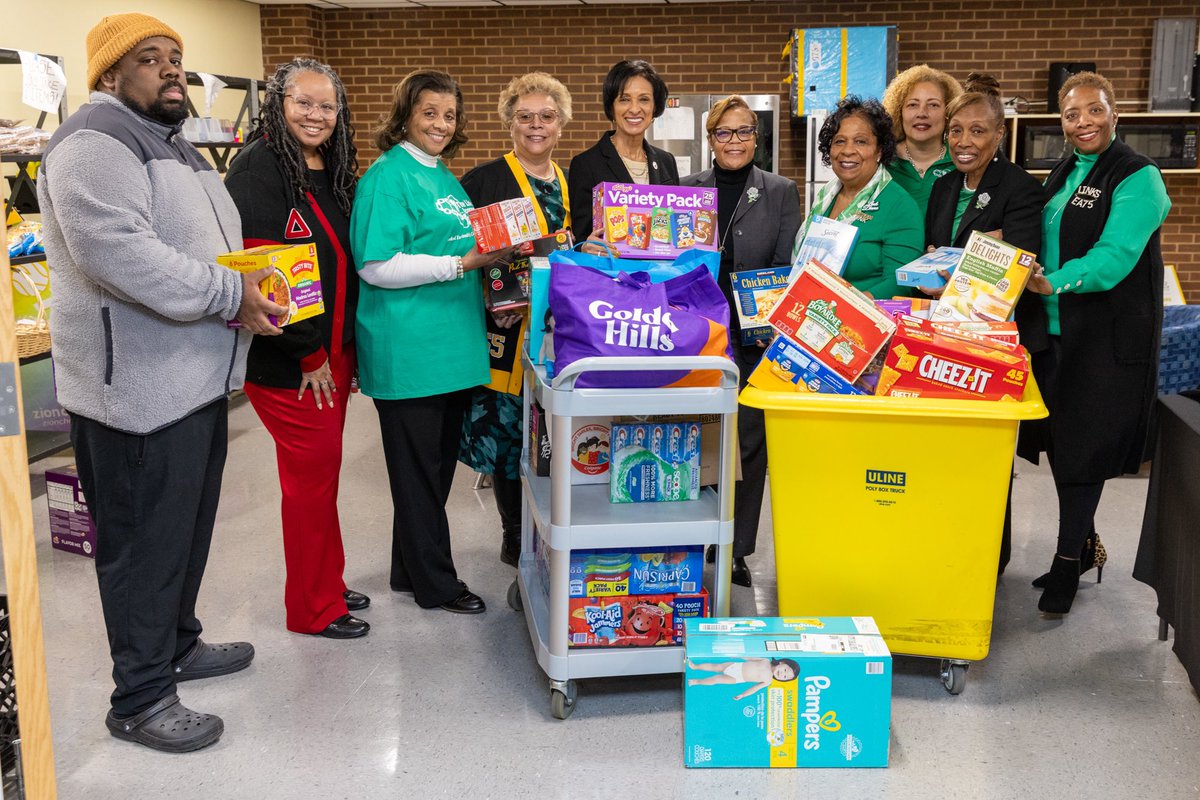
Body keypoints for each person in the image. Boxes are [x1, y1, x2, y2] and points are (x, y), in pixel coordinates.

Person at [37, 13, 283, 752]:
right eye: (150, 58)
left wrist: (249, 287)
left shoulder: (173, 140)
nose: (171, 68)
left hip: (194, 380)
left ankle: (176, 644)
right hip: (136, 393)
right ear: (110, 73)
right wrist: (229, 294)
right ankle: (140, 698)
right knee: (142, 546)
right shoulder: (92, 141)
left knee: (183, 531)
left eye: (175, 56)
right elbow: (119, 254)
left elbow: (204, 245)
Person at [350, 69, 515, 615]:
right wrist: (460, 264)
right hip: (410, 350)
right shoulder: (387, 177)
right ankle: (437, 585)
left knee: (435, 470)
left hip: (450, 348)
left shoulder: (443, 176)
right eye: (429, 113)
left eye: (449, 115)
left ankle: (407, 570)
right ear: (405, 116)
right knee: (419, 475)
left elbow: (468, 245)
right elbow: (376, 265)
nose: (441, 124)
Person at [225, 59, 369, 639]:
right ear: (278, 104)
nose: (316, 115)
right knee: (309, 485)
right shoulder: (258, 168)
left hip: (331, 354)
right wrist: (311, 355)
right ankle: (312, 608)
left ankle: (326, 580)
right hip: (292, 361)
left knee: (322, 478)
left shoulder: (326, 166)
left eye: (327, 105)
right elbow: (266, 282)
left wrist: (343, 353)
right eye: (303, 103)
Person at [1021, 72, 1171, 615]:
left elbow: (1114, 256)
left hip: (1104, 340)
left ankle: (1068, 562)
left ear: (1114, 114)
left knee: (1083, 451)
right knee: (1063, 448)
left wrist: (1053, 283)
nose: (1083, 122)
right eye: (1071, 114)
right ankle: (1083, 545)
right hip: (1056, 334)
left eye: (1094, 110)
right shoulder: (1064, 170)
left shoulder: (1138, 176)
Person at [925, 73, 1048, 575]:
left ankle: (988, 561)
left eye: (977, 131)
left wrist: (960, 265)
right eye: (956, 130)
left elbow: (1016, 268)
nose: (964, 141)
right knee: (942, 454)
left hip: (990, 342)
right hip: (942, 335)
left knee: (985, 457)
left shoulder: (1021, 189)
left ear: (999, 134)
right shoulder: (943, 186)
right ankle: (942, 547)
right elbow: (933, 253)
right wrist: (974, 252)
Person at [681, 95, 802, 587]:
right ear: (710, 139)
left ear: (757, 137)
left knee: (749, 442)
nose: (735, 141)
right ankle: (692, 534)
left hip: (754, 337)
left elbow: (783, 265)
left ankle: (734, 547)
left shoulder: (781, 191)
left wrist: (759, 319)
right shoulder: (687, 190)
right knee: (697, 434)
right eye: (724, 132)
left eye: (744, 131)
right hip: (697, 334)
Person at [458, 72, 573, 568]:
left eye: (546, 116)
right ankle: (511, 532)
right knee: (506, 435)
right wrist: (491, 293)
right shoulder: (482, 181)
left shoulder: (569, 181)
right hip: (502, 332)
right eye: (525, 116)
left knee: (550, 432)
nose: (536, 125)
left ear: (561, 123)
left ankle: (550, 525)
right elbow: (459, 253)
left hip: (555, 332)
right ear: (510, 122)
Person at [793, 96, 924, 299]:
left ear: (879, 151)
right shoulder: (825, 197)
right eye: (840, 141)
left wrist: (848, 306)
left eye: (860, 141)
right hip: (810, 308)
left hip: (862, 315)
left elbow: (902, 282)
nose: (847, 151)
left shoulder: (900, 205)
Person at [568, 59, 678, 243]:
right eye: (624, 99)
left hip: (661, 260)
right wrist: (585, 245)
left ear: (655, 107)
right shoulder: (585, 164)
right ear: (612, 107)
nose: (634, 109)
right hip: (610, 262)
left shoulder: (666, 161)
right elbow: (581, 238)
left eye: (644, 99)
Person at [882, 64, 963, 215]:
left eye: (933, 105)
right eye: (912, 105)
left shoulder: (962, 161)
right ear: (899, 112)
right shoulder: (881, 160)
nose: (922, 113)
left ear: (949, 112)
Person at [686, 658, 800, 700]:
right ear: (782, 662)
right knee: (716, 667)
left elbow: (754, 689)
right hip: (736, 666)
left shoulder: (768, 680)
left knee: (716, 679)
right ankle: (695, 666)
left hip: (737, 678)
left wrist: (743, 695)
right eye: (785, 670)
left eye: (785, 677)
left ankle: (696, 682)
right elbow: (750, 658)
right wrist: (739, 655)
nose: (782, 674)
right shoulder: (765, 660)